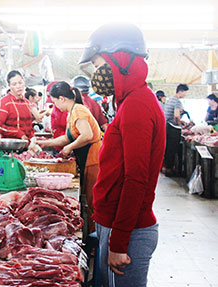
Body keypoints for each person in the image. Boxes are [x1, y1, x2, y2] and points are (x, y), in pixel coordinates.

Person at [80, 23, 165, 286]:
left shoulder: (138, 104)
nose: (97, 73)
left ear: (119, 59)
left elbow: (136, 179)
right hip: (118, 224)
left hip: (128, 230)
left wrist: (118, 241)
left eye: (97, 65)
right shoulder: (131, 100)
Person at [36, 81, 101, 235]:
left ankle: (94, 238)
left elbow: (87, 135)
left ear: (62, 98)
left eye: (55, 101)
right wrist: (46, 143)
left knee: (93, 201)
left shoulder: (79, 110)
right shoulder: (72, 112)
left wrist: (70, 148)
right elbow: (68, 137)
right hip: (86, 158)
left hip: (93, 159)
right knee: (88, 200)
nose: (55, 105)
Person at [0, 70, 34, 139]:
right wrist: (18, 133)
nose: (18, 86)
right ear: (9, 86)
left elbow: (29, 125)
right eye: (14, 84)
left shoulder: (27, 102)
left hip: (27, 145)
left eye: (20, 83)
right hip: (11, 146)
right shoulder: (4, 102)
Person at [163, 83, 188, 176]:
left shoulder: (169, 100)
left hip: (167, 126)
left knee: (168, 148)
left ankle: (167, 168)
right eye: (185, 93)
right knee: (172, 149)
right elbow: (176, 115)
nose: (185, 95)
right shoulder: (177, 101)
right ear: (180, 92)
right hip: (173, 128)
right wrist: (179, 124)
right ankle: (170, 170)